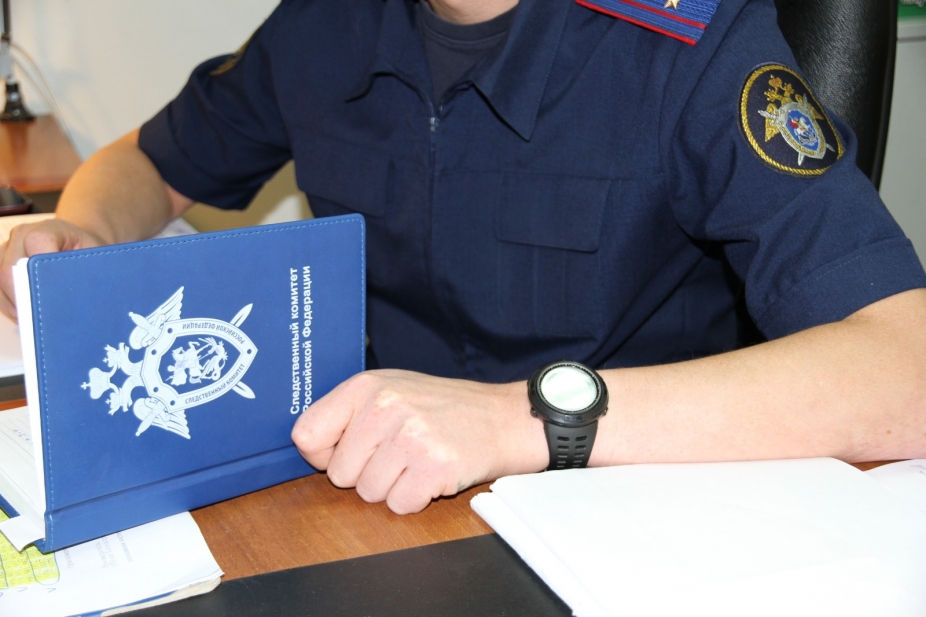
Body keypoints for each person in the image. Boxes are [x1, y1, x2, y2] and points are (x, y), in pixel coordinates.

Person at [1, 0, 925, 515]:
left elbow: (908, 370)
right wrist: (84, 230)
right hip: (372, 495)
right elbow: (149, 162)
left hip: (628, 518)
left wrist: (519, 420)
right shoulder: (324, 24)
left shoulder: (685, 45)